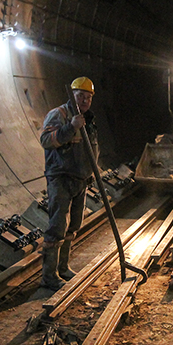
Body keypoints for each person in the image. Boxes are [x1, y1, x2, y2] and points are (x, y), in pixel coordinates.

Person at [38, 76, 98, 290]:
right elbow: (46, 140)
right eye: (80, 96)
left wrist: (90, 173)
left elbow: (90, 149)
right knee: (57, 227)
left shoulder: (88, 119)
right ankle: (48, 276)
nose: (84, 100)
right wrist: (70, 127)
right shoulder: (60, 115)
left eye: (88, 97)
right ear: (72, 96)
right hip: (61, 177)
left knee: (73, 226)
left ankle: (62, 268)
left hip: (80, 179)